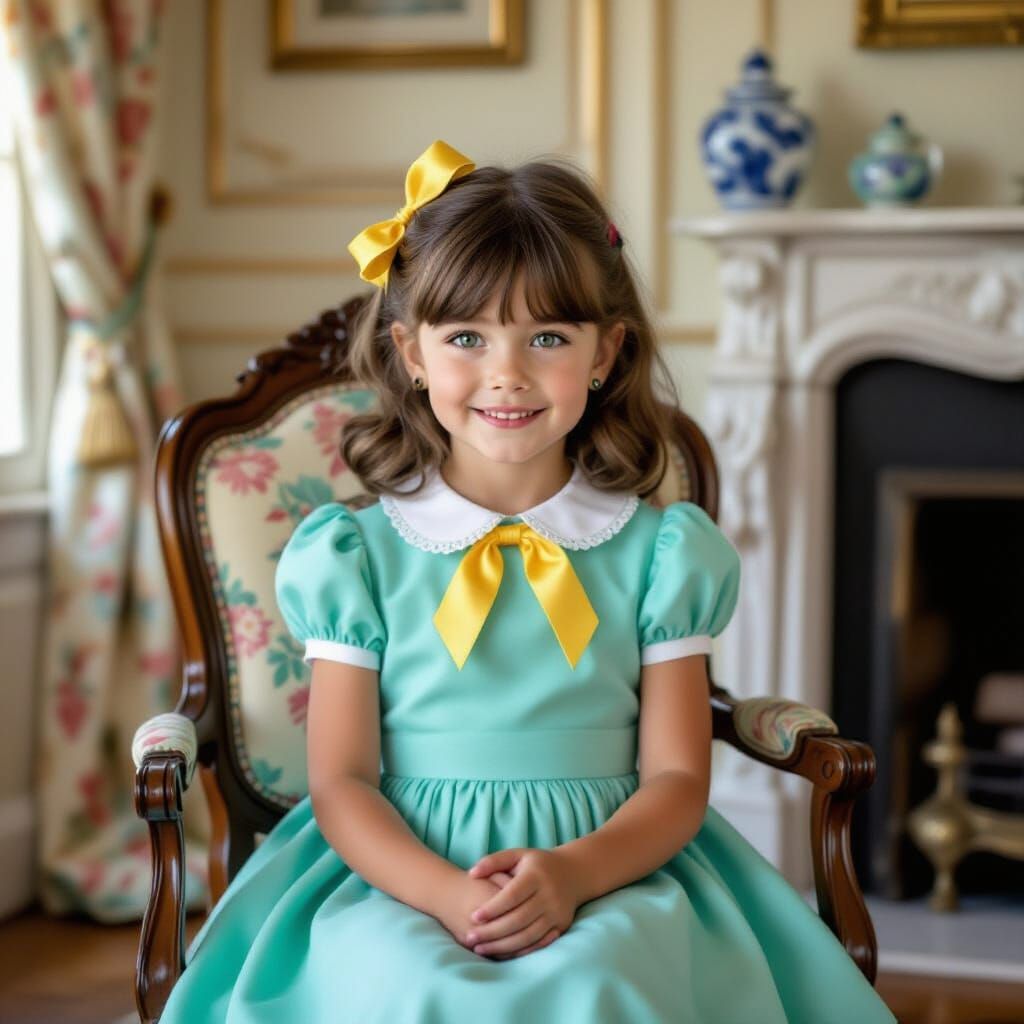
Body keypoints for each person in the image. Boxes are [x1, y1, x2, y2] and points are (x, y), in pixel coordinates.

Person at [158, 140, 896, 1022]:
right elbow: (343, 783)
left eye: (547, 336)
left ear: (606, 353)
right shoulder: (355, 557)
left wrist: (574, 874)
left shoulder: (662, 555)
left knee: (603, 980)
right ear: (412, 353)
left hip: (617, 864)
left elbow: (675, 782)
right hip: (400, 871)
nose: (506, 372)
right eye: (466, 337)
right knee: (395, 979)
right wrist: (443, 895)